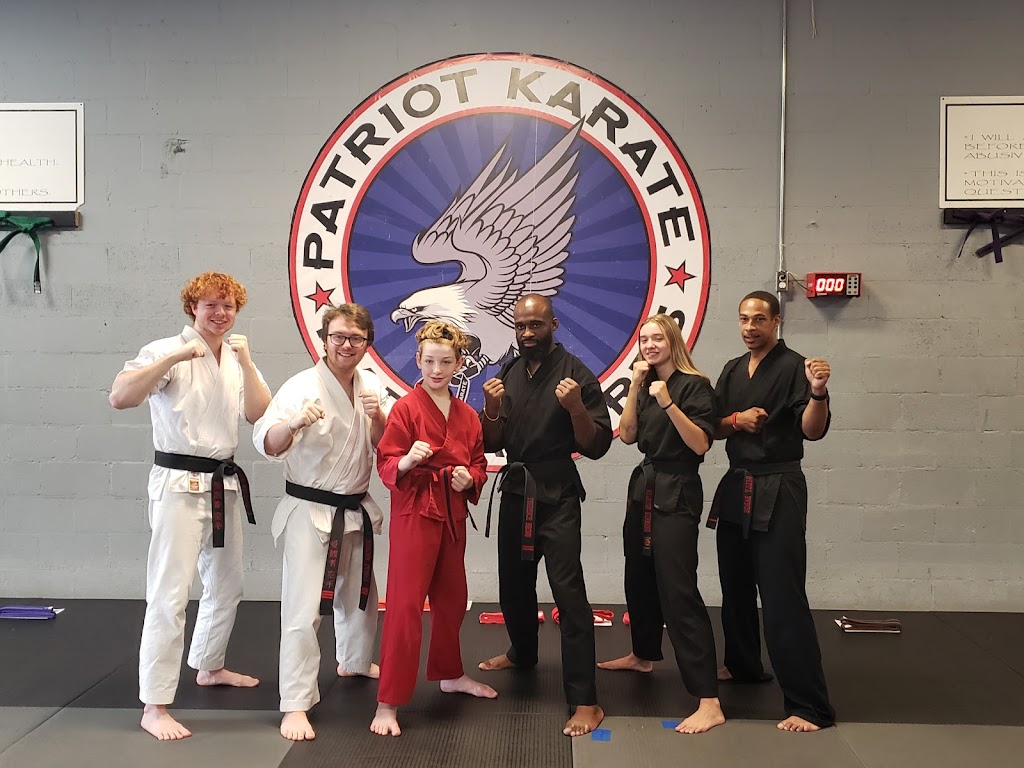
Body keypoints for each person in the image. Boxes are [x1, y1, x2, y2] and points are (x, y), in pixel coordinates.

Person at [109, 271, 271, 741]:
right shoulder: (165, 350)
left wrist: (248, 361)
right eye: (210, 305)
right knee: (170, 594)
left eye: (228, 306)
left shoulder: (235, 358)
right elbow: (120, 397)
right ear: (192, 307)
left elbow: (259, 413)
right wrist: (175, 357)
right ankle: (154, 705)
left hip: (223, 483)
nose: (220, 313)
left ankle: (209, 665)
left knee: (228, 584)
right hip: (178, 484)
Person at [253, 303, 393, 741]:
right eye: (338, 337)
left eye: (356, 338)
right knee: (302, 608)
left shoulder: (372, 387)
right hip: (309, 510)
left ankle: (353, 661)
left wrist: (379, 417)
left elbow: (387, 444)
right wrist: (293, 424)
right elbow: (268, 442)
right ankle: (295, 703)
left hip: (354, 506)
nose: (347, 345)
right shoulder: (301, 386)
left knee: (361, 596)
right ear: (324, 339)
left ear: (367, 344)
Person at [477, 294, 612, 738]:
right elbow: (492, 442)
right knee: (513, 584)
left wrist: (576, 408)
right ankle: (522, 652)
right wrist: (490, 411)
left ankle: (586, 700)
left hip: (557, 494)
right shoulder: (510, 372)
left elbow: (596, 445)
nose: (527, 333)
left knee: (568, 594)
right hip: (517, 489)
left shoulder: (577, 374)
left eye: (536, 325)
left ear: (553, 324)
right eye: (521, 326)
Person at [709, 290, 836, 732]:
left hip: (779, 484)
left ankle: (809, 705)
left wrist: (818, 393)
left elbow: (812, 431)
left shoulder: (796, 367)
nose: (750, 327)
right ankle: (744, 665)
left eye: (759, 319)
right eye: (744, 319)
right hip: (737, 482)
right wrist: (736, 421)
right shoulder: (732, 369)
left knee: (782, 594)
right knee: (736, 584)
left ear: (776, 321)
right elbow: (712, 426)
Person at [597, 314, 725, 734]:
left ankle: (708, 700)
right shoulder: (646, 384)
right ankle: (642, 654)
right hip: (645, 486)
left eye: (657, 338)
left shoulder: (695, 386)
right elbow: (628, 435)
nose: (649, 345)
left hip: (679, 487)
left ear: (673, 341)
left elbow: (701, 444)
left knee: (678, 588)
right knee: (639, 577)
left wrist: (669, 402)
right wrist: (636, 386)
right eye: (644, 339)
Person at [370, 320, 496, 737]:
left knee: (453, 598)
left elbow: (478, 463)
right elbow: (387, 461)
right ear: (418, 361)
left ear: (459, 363)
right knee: (405, 607)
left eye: (445, 362)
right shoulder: (406, 408)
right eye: (429, 362)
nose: (436, 370)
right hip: (415, 512)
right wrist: (408, 460)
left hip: (451, 512)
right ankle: (388, 702)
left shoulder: (468, 415)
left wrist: (470, 479)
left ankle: (449, 673)